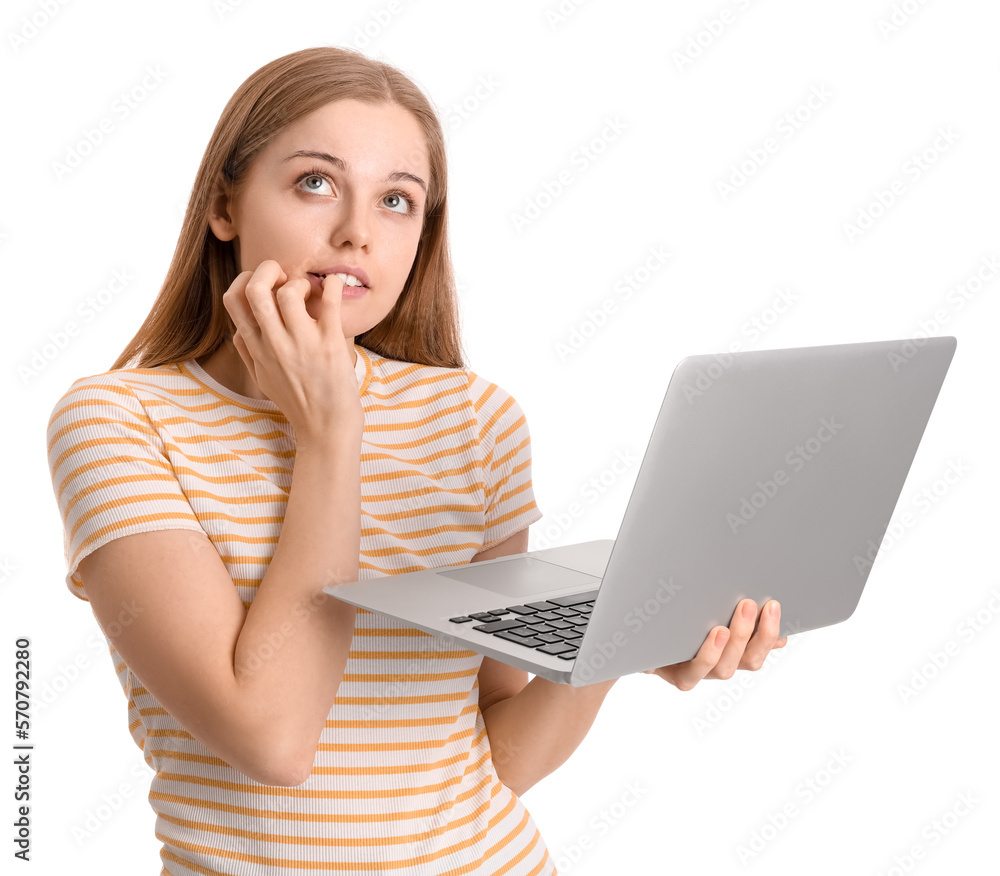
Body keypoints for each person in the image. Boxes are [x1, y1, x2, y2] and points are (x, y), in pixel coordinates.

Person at [44, 45, 787, 875]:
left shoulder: (475, 421)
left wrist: (623, 638)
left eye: (398, 201)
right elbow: (273, 737)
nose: (358, 232)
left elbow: (498, 755)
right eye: (316, 183)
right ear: (225, 204)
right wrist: (329, 437)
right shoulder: (118, 422)